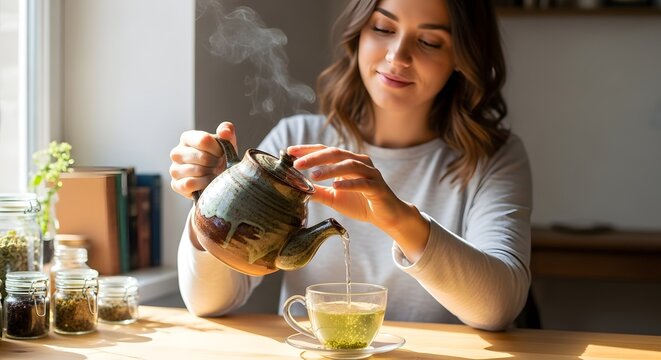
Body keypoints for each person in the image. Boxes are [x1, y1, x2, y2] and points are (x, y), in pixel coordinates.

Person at [169, 0, 532, 331]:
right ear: (358, 33)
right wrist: (213, 203)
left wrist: (399, 221)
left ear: (461, 55)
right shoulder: (296, 142)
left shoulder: (491, 158)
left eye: (430, 42)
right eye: (383, 29)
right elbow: (208, 303)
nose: (398, 56)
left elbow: (498, 309)